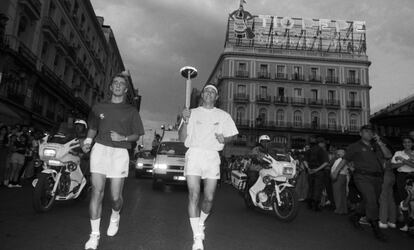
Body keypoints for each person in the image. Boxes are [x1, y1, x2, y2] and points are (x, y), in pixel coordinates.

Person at [82, 73, 144, 250]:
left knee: (115, 197)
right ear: (110, 88)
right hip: (100, 149)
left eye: (121, 84)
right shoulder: (98, 107)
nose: (117, 86)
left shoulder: (131, 111)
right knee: (97, 192)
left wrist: (122, 136)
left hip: (119, 153)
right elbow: (93, 127)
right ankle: (94, 235)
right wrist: (87, 142)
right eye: (115, 83)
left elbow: (136, 135)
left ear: (125, 89)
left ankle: (116, 214)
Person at [179, 84, 238, 250]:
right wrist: (185, 120)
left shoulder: (223, 115)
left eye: (213, 92)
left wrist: (224, 140)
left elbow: (233, 135)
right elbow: (182, 138)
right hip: (194, 154)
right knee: (194, 194)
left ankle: (200, 224)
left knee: (209, 198)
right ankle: (197, 237)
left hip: (212, 156)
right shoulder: (192, 113)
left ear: (216, 97)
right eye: (207, 91)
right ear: (202, 95)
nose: (209, 93)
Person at [334, 125, 392, 241]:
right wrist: (336, 171)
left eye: (371, 132)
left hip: (378, 178)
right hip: (362, 177)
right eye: (366, 131)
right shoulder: (354, 146)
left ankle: (355, 216)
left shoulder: (377, 145)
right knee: (371, 200)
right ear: (360, 133)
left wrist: (380, 143)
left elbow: (388, 155)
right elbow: (345, 160)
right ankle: (376, 228)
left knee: (370, 201)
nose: (369, 134)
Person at [304, 137, 329, 211]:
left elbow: (304, 161)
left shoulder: (309, 150)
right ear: (321, 143)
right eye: (324, 143)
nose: (324, 145)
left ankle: (309, 204)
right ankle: (315, 206)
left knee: (311, 187)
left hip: (310, 171)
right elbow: (326, 163)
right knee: (318, 188)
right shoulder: (323, 151)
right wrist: (317, 169)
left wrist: (308, 168)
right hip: (319, 172)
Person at [331, 149, 349, 214]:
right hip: (343, 176)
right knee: (342, 194)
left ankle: (339, 210)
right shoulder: (346, 160)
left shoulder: (340, 160)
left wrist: (333, 175)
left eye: (338, 153)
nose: (337, 154)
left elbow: (335, 169)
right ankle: (344, 209)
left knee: (337, 194)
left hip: (338, 176)